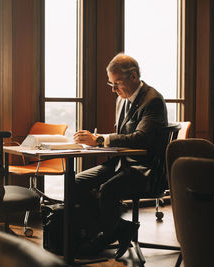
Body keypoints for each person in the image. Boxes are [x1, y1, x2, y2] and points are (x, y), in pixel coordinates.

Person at [73, 53, 168, 258]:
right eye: (111, 84)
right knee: (76, 183)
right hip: (121, 164)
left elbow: (141, 138)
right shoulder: (121, 100)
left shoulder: (153, 101)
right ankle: (117, 228)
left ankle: (105, 235)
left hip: (145, 169)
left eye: (117, 83)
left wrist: (100, 140)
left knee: (108, 190)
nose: (114, 89)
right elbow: (125, 136)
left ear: (133, 76)